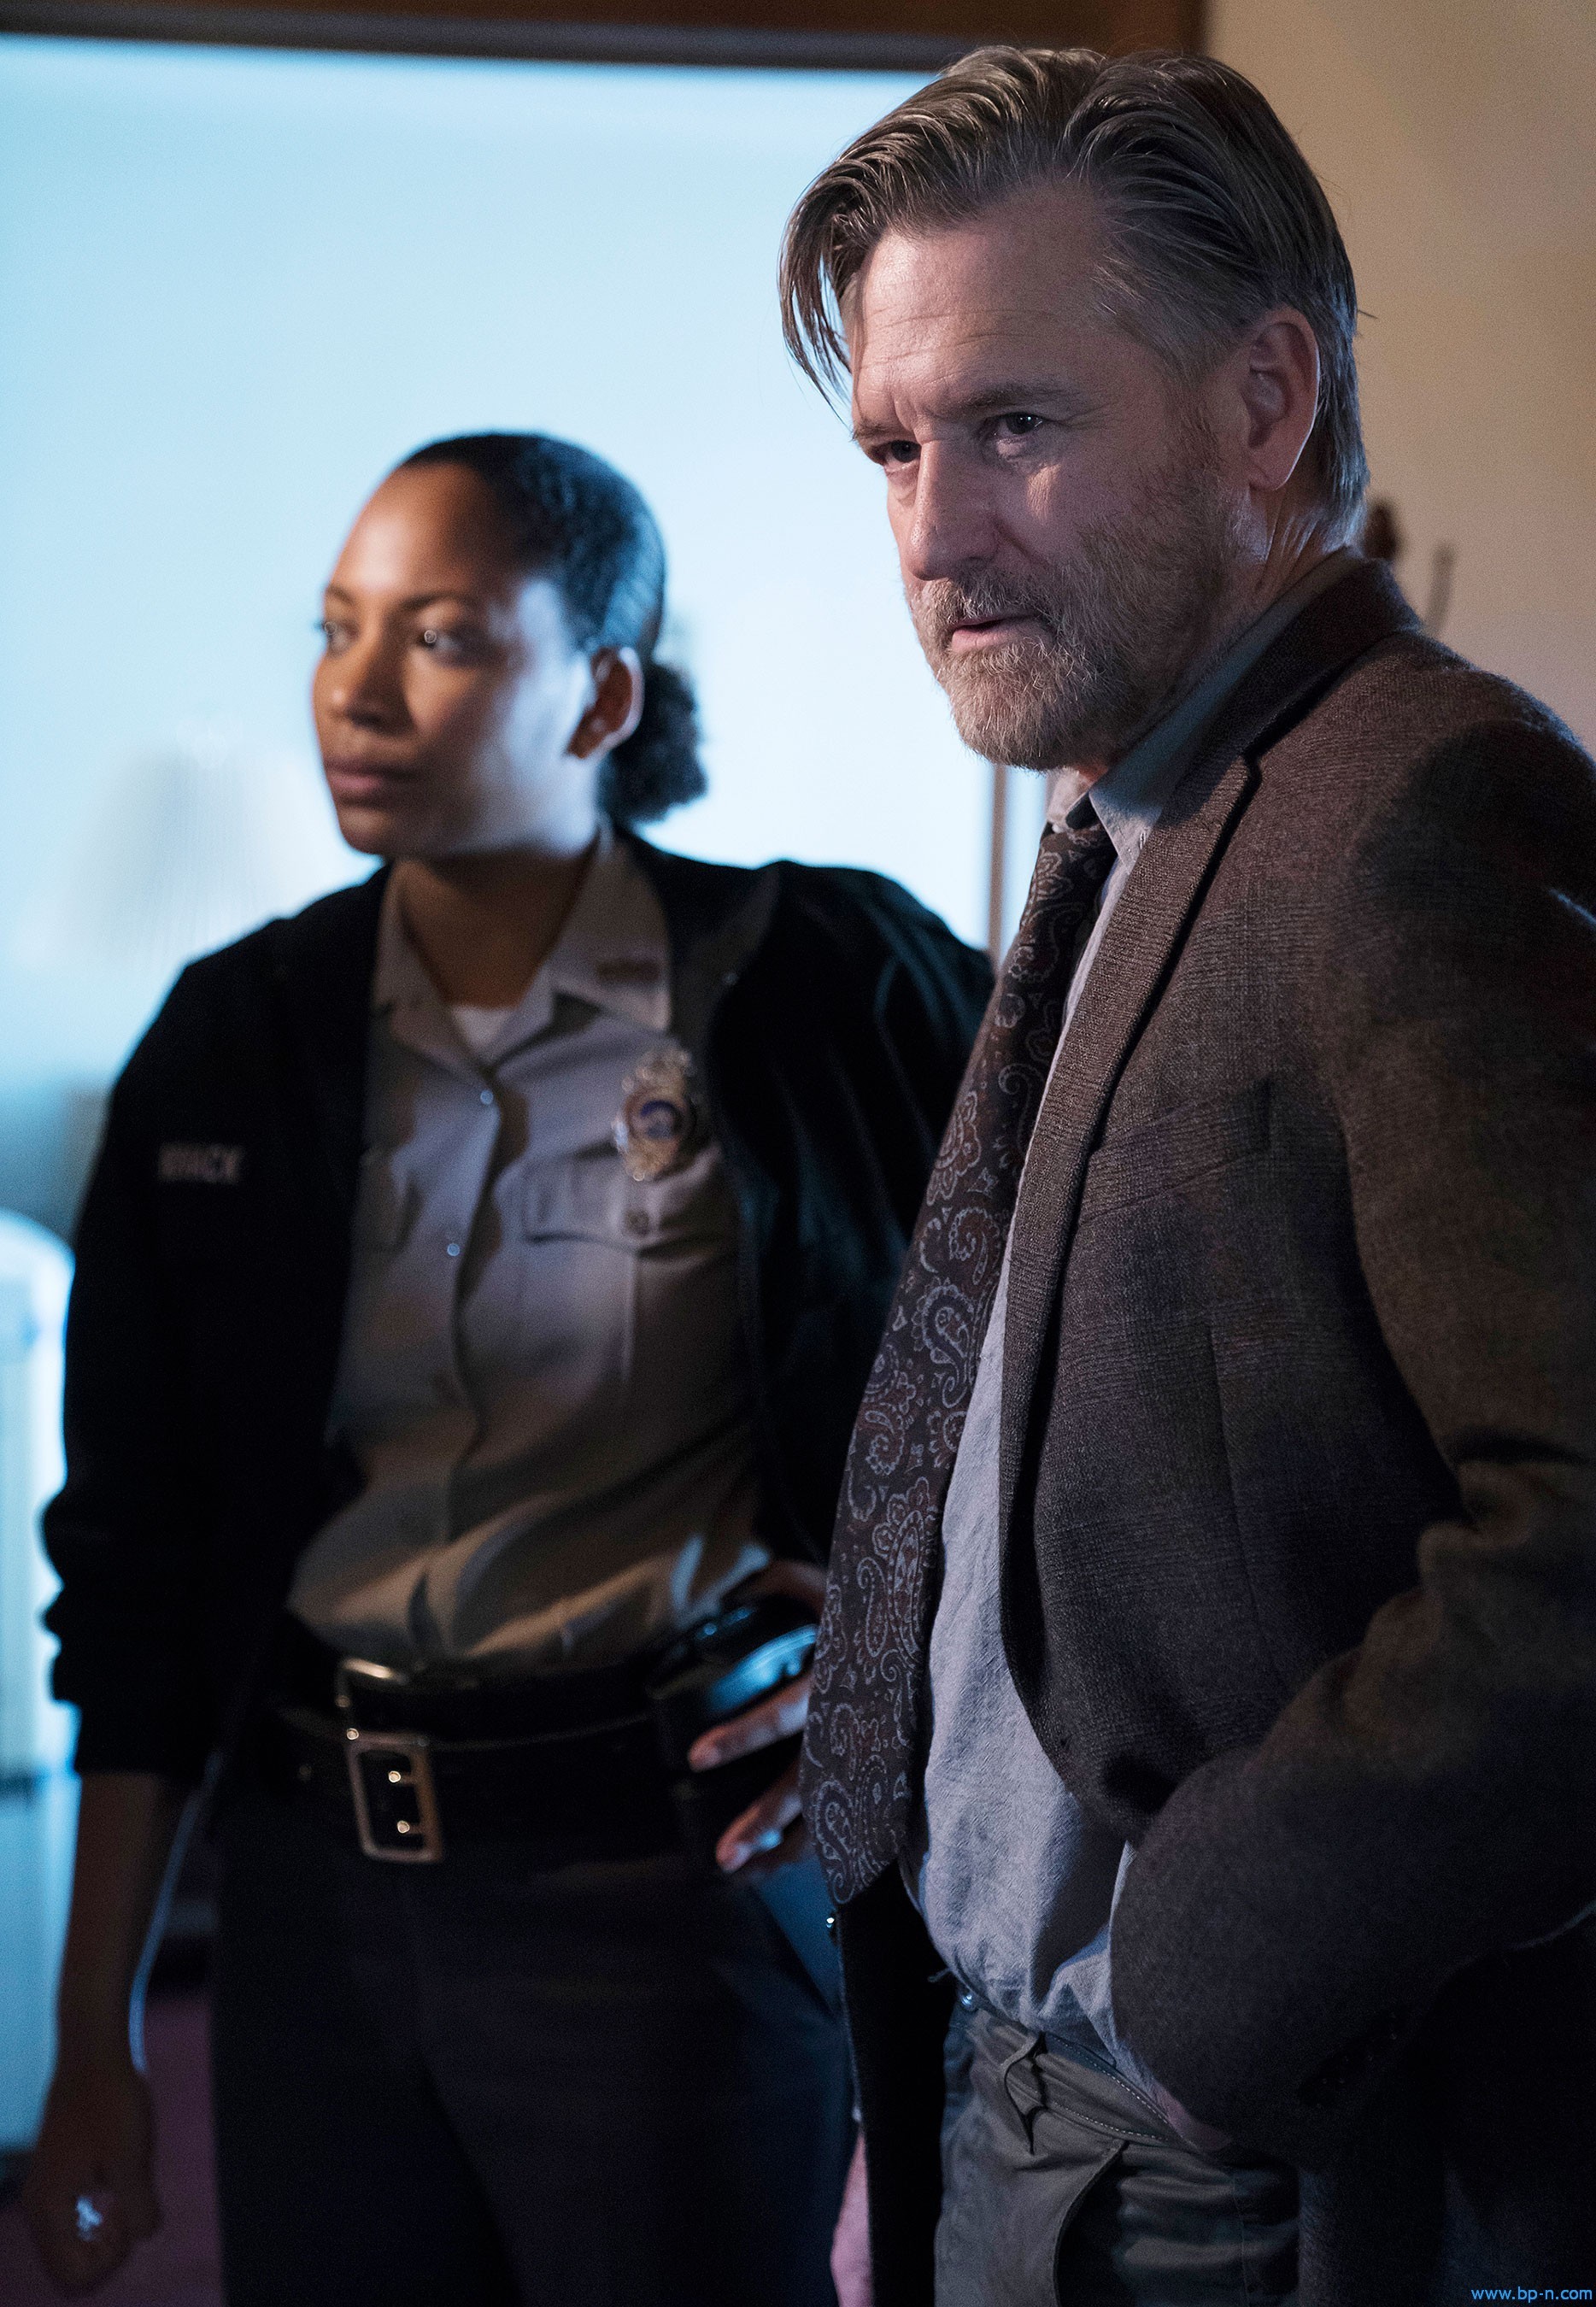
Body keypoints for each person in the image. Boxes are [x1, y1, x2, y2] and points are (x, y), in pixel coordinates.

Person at [783, 46, 1596, 2307]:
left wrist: (1199, 1970)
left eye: (1011, 427)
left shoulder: (1421, 806)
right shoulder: (1133, 813)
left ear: (1263, 404)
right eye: (894, 450)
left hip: (1251, 2160)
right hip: (1017, 2096)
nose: (932, 535)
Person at [24, 431, 992, 2305]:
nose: (356, 691)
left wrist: (911, 1655)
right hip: (313, 1905)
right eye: (336, 629)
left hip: (672, 1898)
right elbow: (132, 1574)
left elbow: (1050, 1356)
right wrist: (93, 2039)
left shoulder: (829, 980)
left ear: (603, 696)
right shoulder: (232, 1041)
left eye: (444, 636)